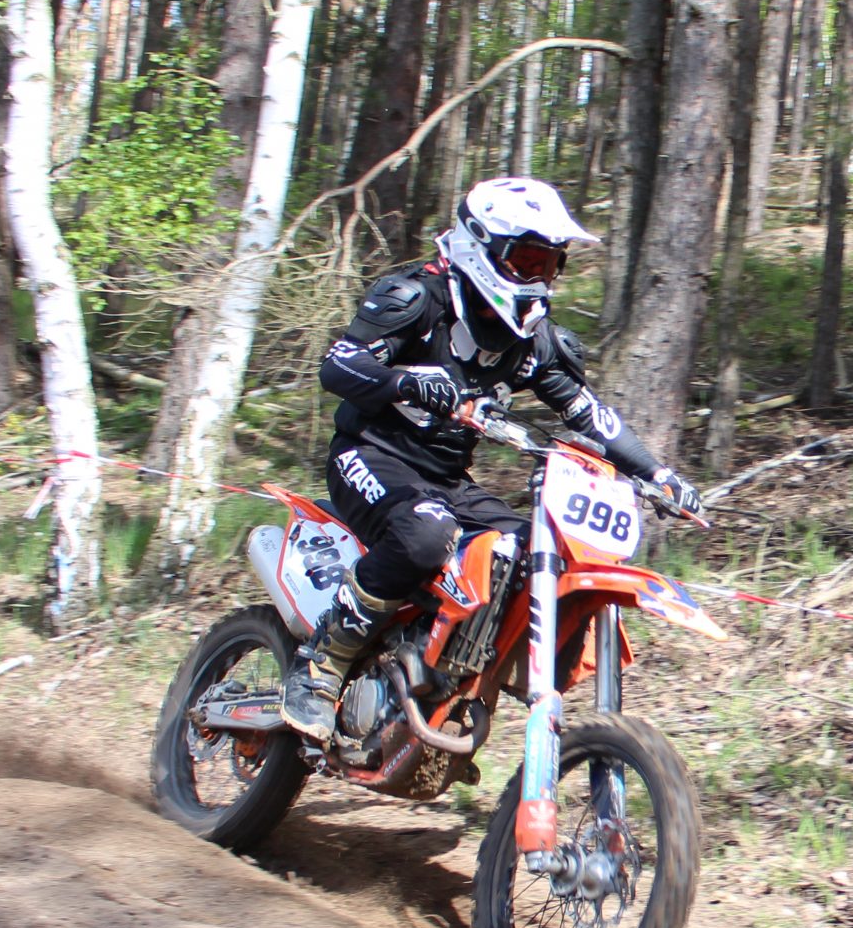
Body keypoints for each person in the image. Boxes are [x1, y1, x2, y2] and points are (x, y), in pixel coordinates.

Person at [279, 176, 701, 740]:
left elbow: (589, 413)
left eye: (549, 264)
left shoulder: (534, 341)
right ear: (480, 247)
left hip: (447, 478)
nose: (538, 277)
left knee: (536, 554)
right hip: (369, 454)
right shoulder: (415, 299)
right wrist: (405, 381)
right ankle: (321, 661)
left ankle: (445, 665)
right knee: (427, 534)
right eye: (526, 260)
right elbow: (338, 365)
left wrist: (658, 474)